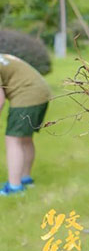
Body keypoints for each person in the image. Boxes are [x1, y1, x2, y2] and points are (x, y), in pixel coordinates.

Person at [0, 53, 51, 196]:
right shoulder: (3, 57)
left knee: (13, 140)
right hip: (41, 92)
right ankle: (25, 178)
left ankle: (14, 187)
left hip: (27, 95)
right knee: (25, 139)